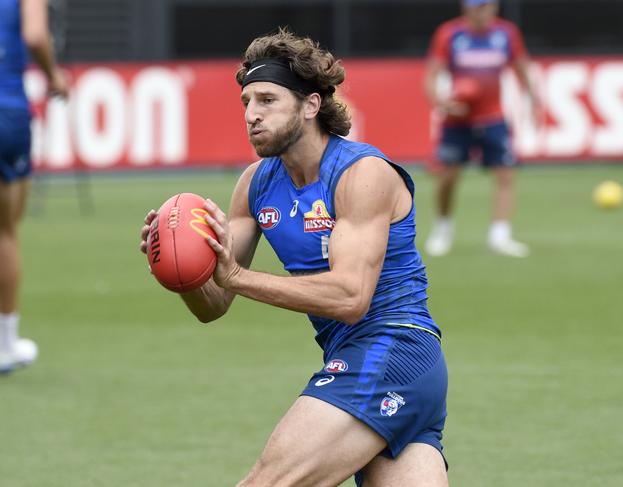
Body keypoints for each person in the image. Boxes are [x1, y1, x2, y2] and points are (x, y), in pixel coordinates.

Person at [140, 29, 449, 486]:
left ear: (310, 105)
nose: (251, 115)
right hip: (365, 360)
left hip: (394, 349)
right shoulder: (256, 183)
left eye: (267, 99)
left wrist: (237, 277)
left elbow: (350, 297)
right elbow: (215, 304)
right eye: (246, 102)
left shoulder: (362, 174)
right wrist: (183, 273)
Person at [424, 0, 540, 257]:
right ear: (466, 9)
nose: (483, 11)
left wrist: (535, 102)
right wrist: (441, 102)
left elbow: (523, 68)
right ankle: (443, 228)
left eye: (487, 6)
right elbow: (432, 74)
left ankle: (500, 235)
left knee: (506, 173)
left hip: (493, 117)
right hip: (458, 119)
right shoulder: (450, 34)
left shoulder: (506, 33)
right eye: (478, 6)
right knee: (448, 177)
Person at [0, 0, 68, 374]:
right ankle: (6, 344)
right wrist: (54, 76)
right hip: (5, 109)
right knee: (4, 232)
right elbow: (35, 34)